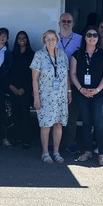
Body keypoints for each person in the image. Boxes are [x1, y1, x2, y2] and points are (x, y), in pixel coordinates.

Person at [70, 26, 103, 166]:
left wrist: (98, 89)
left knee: (99, 124)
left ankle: (101, 154)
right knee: (86, 123)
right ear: (85, 37)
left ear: (98, 38)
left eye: (95, 35)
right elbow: (73, 74)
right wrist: (80, 89)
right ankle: (87, 152)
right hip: (82, 94)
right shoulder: (77, 54)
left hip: (99, 95)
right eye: (89, 35)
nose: (92, 37)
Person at [31, 30, 71, 163]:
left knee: (58, 124)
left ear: (57, 40)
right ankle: (45, 152)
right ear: (44, 41)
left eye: (53, 38)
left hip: (60, 96)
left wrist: (69, 92)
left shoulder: (63, 55)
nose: (50, 41)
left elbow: (67, 75)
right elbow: (35, 79)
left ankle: (56, 152)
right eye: (47, 39)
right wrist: (36, 97)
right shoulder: (39, 55)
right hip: (45, 96)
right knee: (46, 125)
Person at [57, 12, 82, 154]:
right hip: (56, 85)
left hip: (74, 83)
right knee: (56, 116)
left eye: (69, 21)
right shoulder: (52, 39)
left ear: (73, 24)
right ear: (59, 23)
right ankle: (55, 143)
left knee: (72, 116)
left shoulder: (80, 40)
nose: (66, 23)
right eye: (63, 21)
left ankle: (70, 143)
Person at [8, 31, 35, 148]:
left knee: (25, 114)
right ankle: (16, 138)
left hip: (26, 90)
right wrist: (11, 86)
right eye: (19, 38)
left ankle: (26, 139)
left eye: (24, 38)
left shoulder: (32, 55)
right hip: (13, 89)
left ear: (27, 40)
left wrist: (24, 88)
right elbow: (7, 72)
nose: (22, 40)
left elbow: (32, 75)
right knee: (15, 114)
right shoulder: (11, 54)